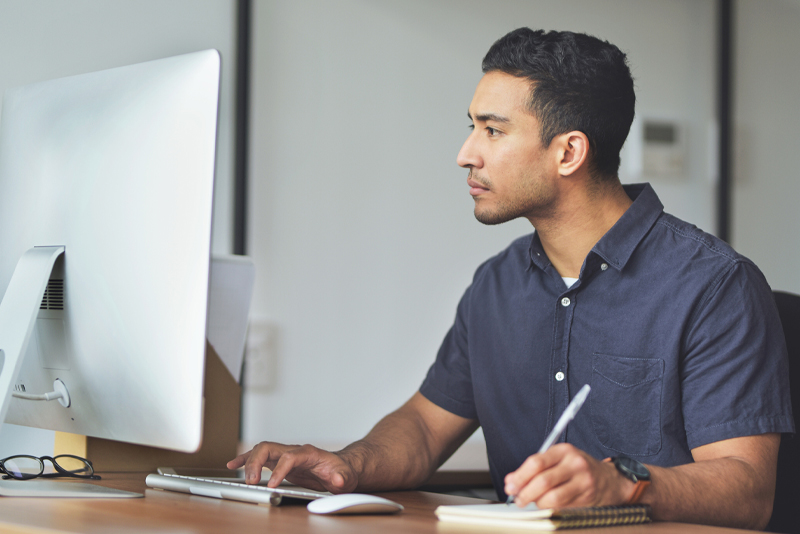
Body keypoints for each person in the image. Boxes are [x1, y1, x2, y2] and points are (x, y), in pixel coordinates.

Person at [228, 28, 794, 530]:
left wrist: (622, 482)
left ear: (568, 152)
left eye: (493, 131)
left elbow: (749, 489)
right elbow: (425, 428)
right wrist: (347, 464)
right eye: (472, 127)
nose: (465, 154)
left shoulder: (714, 285)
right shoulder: (496, 285)